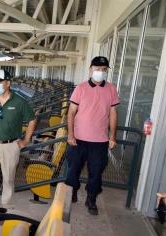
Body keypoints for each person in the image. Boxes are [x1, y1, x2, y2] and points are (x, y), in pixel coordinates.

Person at [0, 70, 37, 218]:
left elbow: (32, 119)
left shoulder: (19, 101)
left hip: (11, 146)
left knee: (9, 178)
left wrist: (26, 140)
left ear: (8, 83)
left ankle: (7, 206)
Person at [65, 56, 119, 215]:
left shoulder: (111, 89)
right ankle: (72, 191)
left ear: (106, 71)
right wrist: (70, 134)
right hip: (78, 139)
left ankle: (91, 198)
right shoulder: (80, 88)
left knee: (96, 172)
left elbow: (113, 113)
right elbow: (71, 112)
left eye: (103, 70)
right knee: (73, 169)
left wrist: (113, 136)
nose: (99, 72)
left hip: (100, 141)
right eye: (97, 69)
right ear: (90, 69)